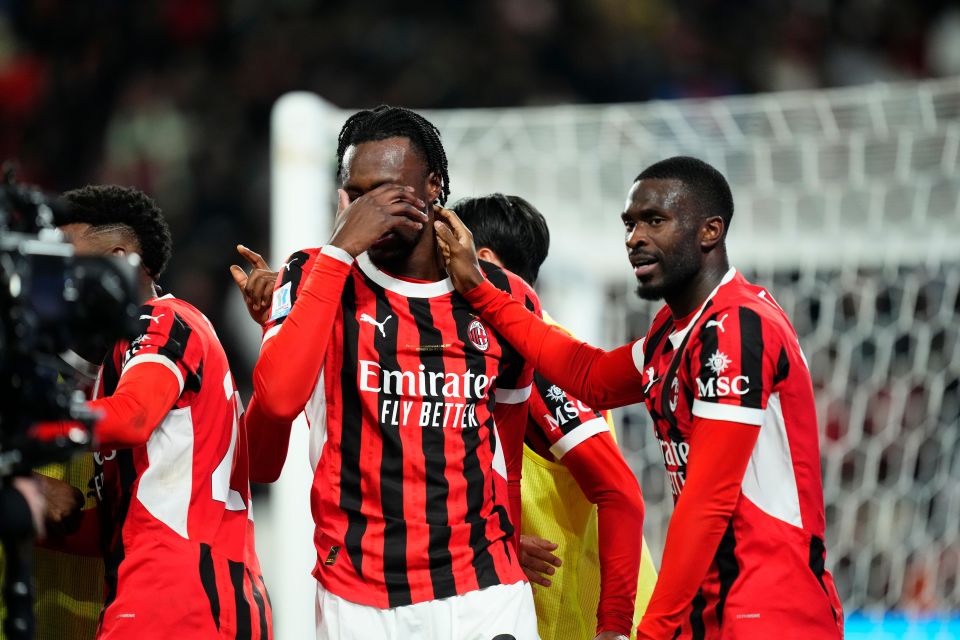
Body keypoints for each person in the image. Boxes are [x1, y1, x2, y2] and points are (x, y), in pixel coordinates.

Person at [434, 157, 844, 639]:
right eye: (629, 224)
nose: (634, 239)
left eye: (655, 220)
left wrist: (641, 630)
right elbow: (589, 375)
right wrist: (483, 291)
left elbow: (708, 501)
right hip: (709, 607)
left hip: (770, 609)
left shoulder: (737, 329)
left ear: (710, 230)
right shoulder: (672, 334)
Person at [240, 105, 543, 640]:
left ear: (434, 187)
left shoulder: (501, 294)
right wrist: (339, 249)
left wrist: (511, 535)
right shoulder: (310, 273)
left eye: (388, 192)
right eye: (356, 196)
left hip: (485, 590)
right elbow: (280, 402)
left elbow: (508, 447)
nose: (371, 210)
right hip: (361, 597)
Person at [51, 185, 272, 638]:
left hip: (174, 599)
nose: (59, 278)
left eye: (68, 258)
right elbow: (124, 526)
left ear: (118, 257)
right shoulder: (119, 360)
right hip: (195, 595)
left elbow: (132, 417)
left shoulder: (161, 319)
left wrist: (33, 425)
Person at [453, 194, 655, 640]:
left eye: (444, 251)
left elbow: (621, 494)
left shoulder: (539, 356)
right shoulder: (484, 351)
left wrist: (615, 630)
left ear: (481, 261)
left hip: (591, 624)